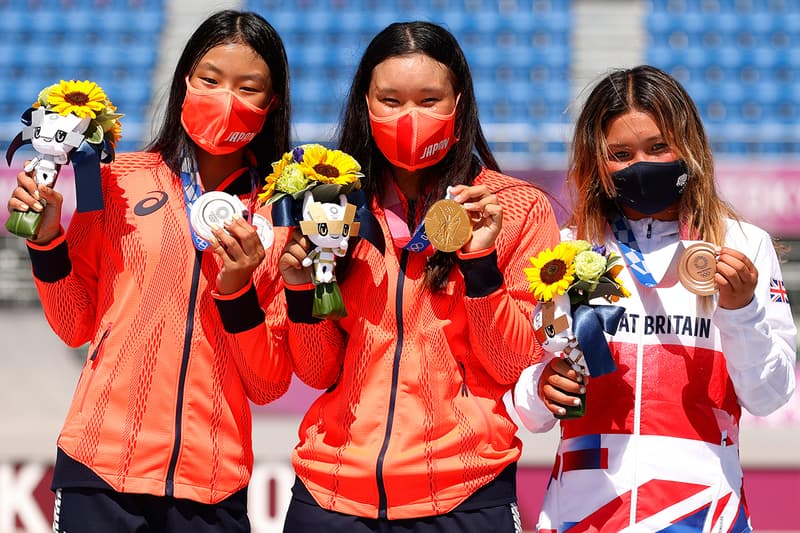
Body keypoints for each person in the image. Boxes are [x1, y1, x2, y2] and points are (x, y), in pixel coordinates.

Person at [6, 10, 294, 532]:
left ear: (271, 104)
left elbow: (269, 384)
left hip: (212, 481)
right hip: (99, 467)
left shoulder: (280, 213)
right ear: (185, 80)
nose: (226, 98)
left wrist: (238, 293)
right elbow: (74, 325)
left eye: (248, 87)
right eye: (210, 80)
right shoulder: (113, 181)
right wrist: (47, 240)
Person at [274, 21, 560, 533]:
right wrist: (301, 288)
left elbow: (512, 361)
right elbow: (318, 372)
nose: (409, 118)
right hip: (330, 492)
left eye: (429, 100)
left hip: (464, 492)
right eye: (390, 100)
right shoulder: (328, 205)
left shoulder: (516, 208)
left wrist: (480, 264)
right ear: (365, 103)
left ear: (460, 103)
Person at [507, 65, 797, 532]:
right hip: (582, 514)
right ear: (597, 163)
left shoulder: (744, 246)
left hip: (704, 513)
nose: (640, 164)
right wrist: (542, 388)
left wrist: (741, 312)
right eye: (620, 154)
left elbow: (769, 397)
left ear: (690, 145)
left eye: (658, 147)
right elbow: (524, 408)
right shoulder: (564, 254)